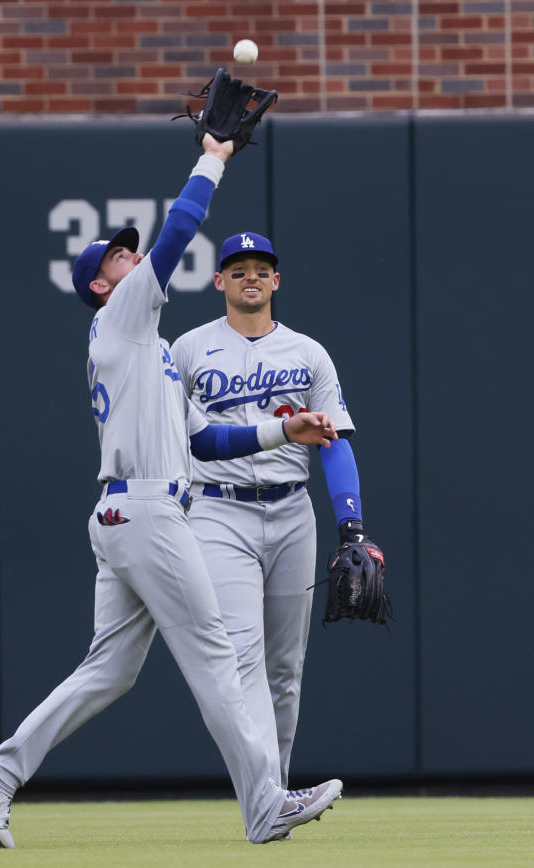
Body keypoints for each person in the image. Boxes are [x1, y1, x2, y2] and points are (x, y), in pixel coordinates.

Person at [0, 141, 345, 849]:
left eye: (127, 253)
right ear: (102, 286)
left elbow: (207, 442)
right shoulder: (122, 318)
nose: (131, 257)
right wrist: (214, 157)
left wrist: (285, 429)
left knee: (108, 671)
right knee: (220, 655)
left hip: (124, 512)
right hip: (149, 511)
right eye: (116, 256)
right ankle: (265, 804)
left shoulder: (151, 352)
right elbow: (175, 235)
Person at [171, 231, 373, 789]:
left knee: (285, 670)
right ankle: (262, 794)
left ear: (276, 281)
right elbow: (178, 438)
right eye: (238, 269)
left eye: (260, 268)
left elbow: (335, 439)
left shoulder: (309, 353)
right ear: (219, 282)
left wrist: (351, 525)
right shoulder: (187, 350)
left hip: (291, 512)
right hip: (218, 510)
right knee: (242, 660)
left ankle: (276, 790)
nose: (250, 276)